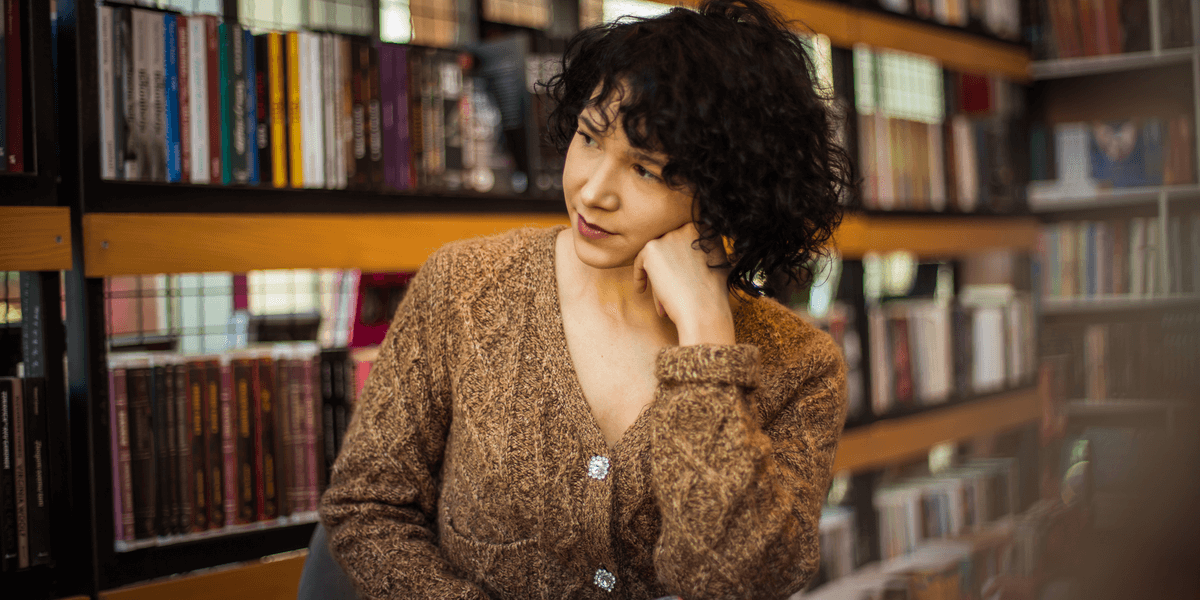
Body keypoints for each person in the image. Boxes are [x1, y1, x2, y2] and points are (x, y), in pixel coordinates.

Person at [317, 0, 854, 597]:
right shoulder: (464, 286)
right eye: (590, 137)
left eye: (647, 170)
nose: (594, 191)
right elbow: (367, 506)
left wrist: (706, 338)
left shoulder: (801, 367)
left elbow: (733, 582)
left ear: (732, 191)